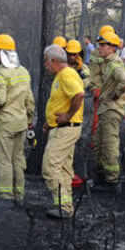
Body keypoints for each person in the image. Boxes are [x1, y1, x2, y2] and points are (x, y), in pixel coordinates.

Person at [0, 34, 34, 204]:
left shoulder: (1, 73)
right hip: (21, 123)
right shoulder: (23, 71)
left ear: (1, 53)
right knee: (18, 160)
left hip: (5, 125)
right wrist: (29, 119)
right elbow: (30, 100)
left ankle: (5, 197)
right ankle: (19, 196)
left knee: (4, 161)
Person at [41, 44, 84, 218]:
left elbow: (79, 95)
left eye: (46, 62)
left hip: (66, 129)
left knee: (50, 167)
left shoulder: (66, 75)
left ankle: (63, 206)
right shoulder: (63, 75)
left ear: (53, 61)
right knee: (65, 169)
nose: (45, 65)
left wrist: (67, 116)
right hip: (64, 128)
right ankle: (65, 207)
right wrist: (49, 123)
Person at [93, 29, 125, 185]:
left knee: (109, 144)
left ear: (112, 47)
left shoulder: (115, 64)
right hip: (105, 108)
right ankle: (102, 175)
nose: (100, 47)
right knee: (99, 143)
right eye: (100, 45)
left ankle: (112, 180)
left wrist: (116, 94)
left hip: (112, 110)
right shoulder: (108, 63)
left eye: (103, 45)